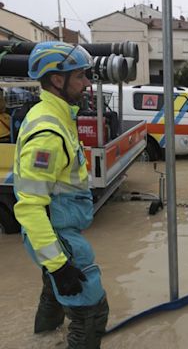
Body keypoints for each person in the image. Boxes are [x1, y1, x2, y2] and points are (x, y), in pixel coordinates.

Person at [13, 41, 109, 348]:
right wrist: (59, 264)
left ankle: (41, 338)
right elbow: (29, 207)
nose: (87, 83)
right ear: (57, 79)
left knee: (54, 294)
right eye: (80, 76)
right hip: (58, 238)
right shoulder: (48, 134)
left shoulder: (52, 114)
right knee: (91, 314)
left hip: (55, 235)